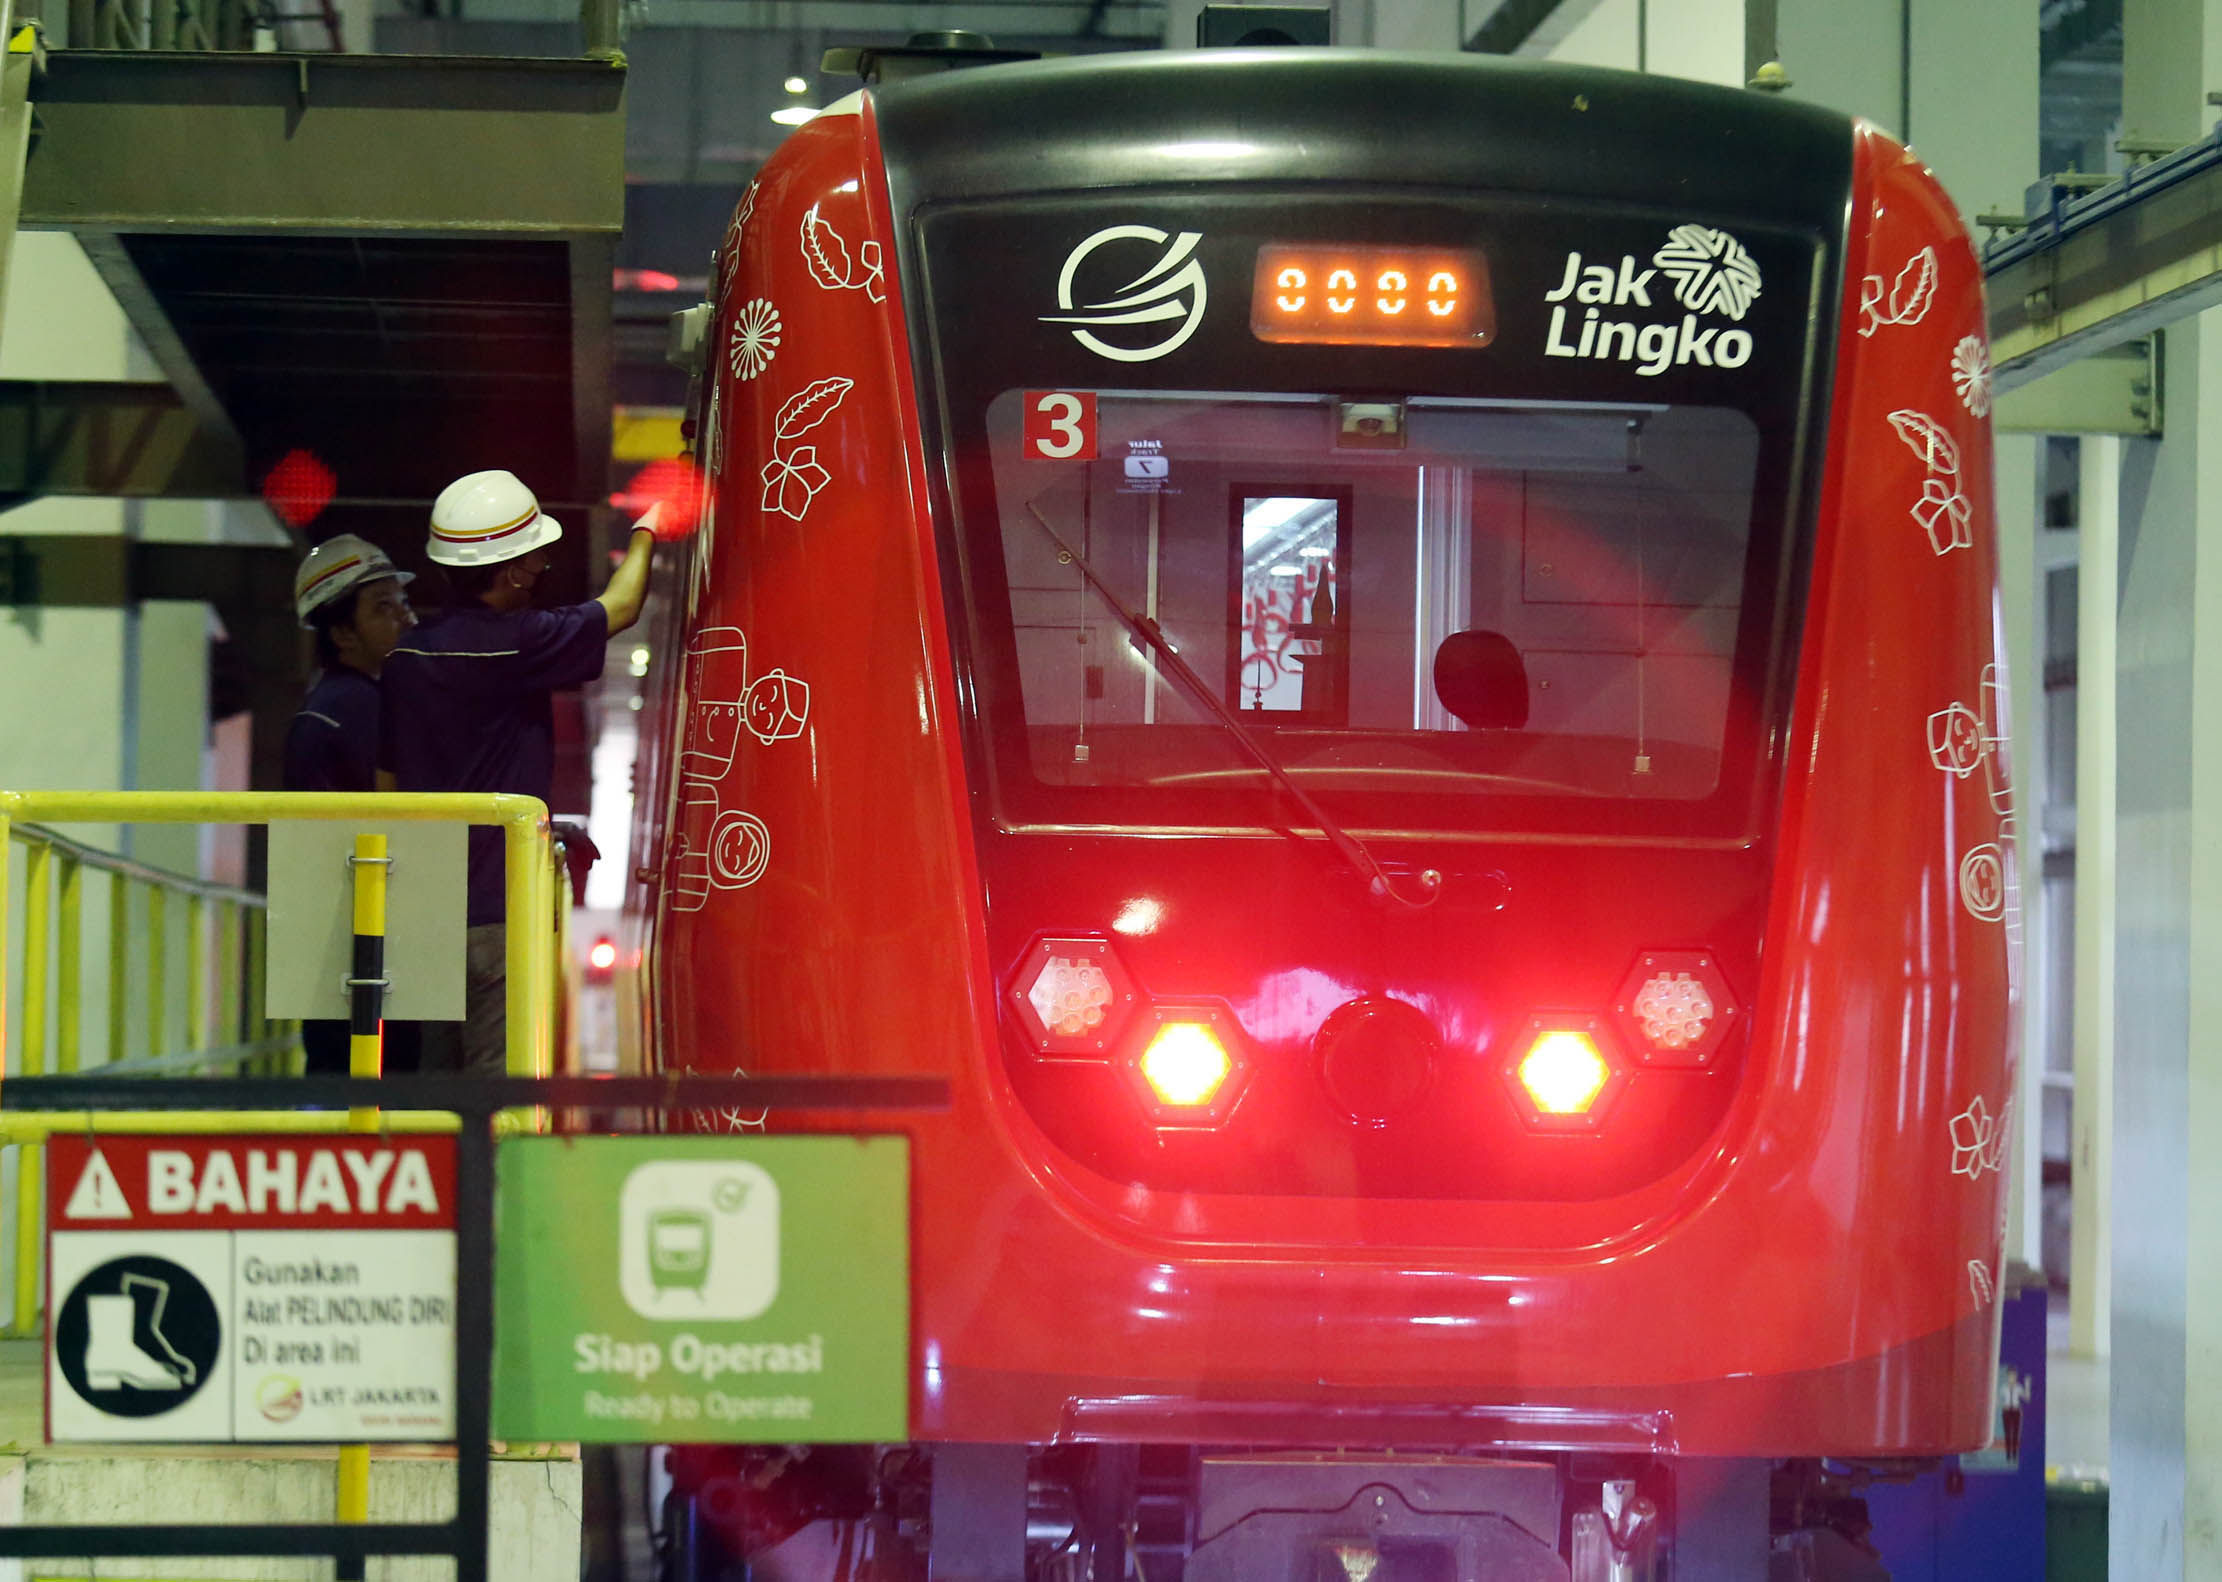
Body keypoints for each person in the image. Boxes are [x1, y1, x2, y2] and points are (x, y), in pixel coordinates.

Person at [381, 469, 656, 1075]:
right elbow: (623, 605)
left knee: (433, 1088)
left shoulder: (404, 657)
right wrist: (647, 527)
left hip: (425, 910)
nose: (541, 572)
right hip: (498, 909)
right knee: (494, 1090)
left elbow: (387, 784)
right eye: (534, 560)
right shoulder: (517, 644)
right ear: (508, 570)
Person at [283, 534, 417, 1076]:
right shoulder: (355, 710)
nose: (405, 620)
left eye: (402, 603)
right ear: (341, 632)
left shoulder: (335, 706)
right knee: (371, 1087)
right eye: (382, 608)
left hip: (341, 951)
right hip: (363, 951)